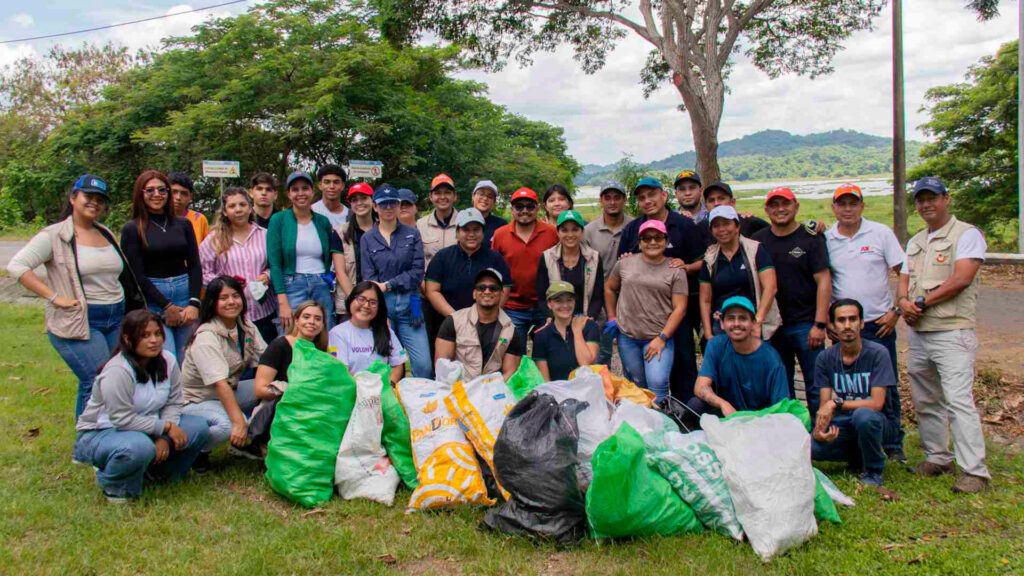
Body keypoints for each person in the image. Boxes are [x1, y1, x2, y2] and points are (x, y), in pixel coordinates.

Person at [8, 174, 144, 418]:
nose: (94, 203)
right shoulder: (54, 235)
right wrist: (54, 297)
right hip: (80, 320)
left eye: (100, 199)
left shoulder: (105, 233)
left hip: (115, 318)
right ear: (73, 198)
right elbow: (17, 266)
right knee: (96, 380)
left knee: (118, 379)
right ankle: (86, 446)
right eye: (88, 197)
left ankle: (111, 434)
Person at [897, 176, 991, 494]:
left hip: (952, 331)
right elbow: (904, 278)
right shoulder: (916, 241)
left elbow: (962, 278)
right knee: (925, 400)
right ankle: (938, 457)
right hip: (920, 333)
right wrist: (902, 303)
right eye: (921, 200)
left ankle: (974, 472)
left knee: (958, 401)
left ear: (946, 199)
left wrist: (920, 302)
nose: (926, 204)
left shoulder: (966, 235)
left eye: (932, 198)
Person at [73, 310, 209, 503]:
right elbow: (122, 420)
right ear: (128, 339)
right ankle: (115, 486)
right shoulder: (117, 370)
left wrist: (163, 436)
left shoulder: (168, 360)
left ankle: (160, 476)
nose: (154, 340)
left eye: (158, 334)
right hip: (102, 432)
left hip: (148, 426)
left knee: (198, 427)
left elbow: (174, 401)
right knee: (139, 446)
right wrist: (166, 428)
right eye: (145, 336)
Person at [825, 182, 907, 460]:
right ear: (834, 207)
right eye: (842, 203)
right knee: (849, 384)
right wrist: (827, 319)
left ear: (862, 205)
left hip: (878, 324)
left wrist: (897, 309)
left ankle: (894, 444)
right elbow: (824, 280)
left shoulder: (880, 233)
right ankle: (852, 437)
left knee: (887, 385)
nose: (848, 209)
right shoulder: (827, 238)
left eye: (853, 203)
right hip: (843, 327)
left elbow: (903, 269)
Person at [617, 177, 704, 400]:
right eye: (642, 198)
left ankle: (684, 411)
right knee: (641, 375)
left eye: (652, 195)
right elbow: (623, 266)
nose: (647, 201)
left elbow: (703, 260)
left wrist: (686, 267)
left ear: (664, 196)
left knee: (683, 362)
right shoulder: (632, 229)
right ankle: (644, 412)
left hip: (680, 307)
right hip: (642, 315)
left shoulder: (684, 226)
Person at [753, 187, 832, 418]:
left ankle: (820, 436)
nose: (780, 209)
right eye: (774, 205)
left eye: (785, 204)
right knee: (782, 385)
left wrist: (820, 323)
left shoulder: (810, 237)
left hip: (806, 323)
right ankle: (792, 431)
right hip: (773, 325)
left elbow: (824, 281)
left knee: (816, 384)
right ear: (766, 210)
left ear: (796, 206)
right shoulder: (759, 240)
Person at [180, 276, 267, 468]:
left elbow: (268, 360)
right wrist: (238, 423)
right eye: (224, 298)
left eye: (235, 296)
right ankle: (194, 452)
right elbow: (220, 384)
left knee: (276, 388)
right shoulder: (206, 336)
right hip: (197, 400)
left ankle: (256, 444)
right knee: (231, 425)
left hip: (230, 390)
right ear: (212, 303)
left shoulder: (245, 325)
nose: (231, 302)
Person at [811, 299, 900, 486]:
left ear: (862, 323)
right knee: (813, 448)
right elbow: (824, 407)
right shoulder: (825, 358)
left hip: (879, 422)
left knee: (864, 416)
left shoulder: (878, 353)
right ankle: (858, 455)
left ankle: (873, 470)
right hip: (844, 423)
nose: (847, 325)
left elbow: (877, 403)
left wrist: (836, 403)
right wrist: (819, 432)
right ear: (833, 326)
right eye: (841, 320)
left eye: (852, 319)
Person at [120, 170, 203, 364]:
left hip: (185, 294)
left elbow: (194, 265)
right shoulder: (132, 229)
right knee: (166, 359)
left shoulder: (183, 224)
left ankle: (186, 396)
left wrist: (194, 303)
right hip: (155, 299)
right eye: (150, 190)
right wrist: (167, 306)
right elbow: (136, 275)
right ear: (140, 193)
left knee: (188, 359)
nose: (157, 194)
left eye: (162, 190)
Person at [605, 220, 688, 401]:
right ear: (640, 242)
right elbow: (610, 288)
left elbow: (680, 308)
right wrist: (612, 317)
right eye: (647, 238)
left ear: (666, 242)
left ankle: (661, 425)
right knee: (636, 384)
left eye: (658, 238)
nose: (652, 242)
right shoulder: (624, 264)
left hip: (658, 337)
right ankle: (641, 424)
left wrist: (662, 338)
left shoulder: (675, 269)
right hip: (627, 336)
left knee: (657, 384)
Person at [361, 184, 432, 378]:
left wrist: (387, 285)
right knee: (383, 365)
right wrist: (379, 313)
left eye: (393, 203)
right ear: (375, 207)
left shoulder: (412, 234)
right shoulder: (367, 239)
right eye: (383, 204)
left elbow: (417, 272)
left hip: (410, 305)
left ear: (399, 206)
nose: (388, 208)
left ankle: (420, 403)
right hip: (383, 306)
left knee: (424, 365)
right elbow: (369, 277)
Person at [199, 187, 279, 346]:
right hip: (230, 314)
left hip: (263, 311)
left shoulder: (265, 235)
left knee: (265, 360)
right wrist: (226, 283)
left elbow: (276, 265)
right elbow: (204, 273)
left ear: (250, 208)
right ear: (225, 212)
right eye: (232, 206)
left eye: (242, 205)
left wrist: (267, 275)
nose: (238, 210)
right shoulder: (213, 239)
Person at [250, 300, 329, 455]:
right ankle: (264, 446)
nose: (312, 322)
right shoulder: (280, 345)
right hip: (278, 406)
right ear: (296, 320)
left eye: (318, 319)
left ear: (322, 326)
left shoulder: (321, 352)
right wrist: (294, 393)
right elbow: (260, 390)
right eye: (306, 317)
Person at [691, 296, 789, 417]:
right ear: (722, 323)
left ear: (753, 323)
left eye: (743, 318)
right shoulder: (716, 345)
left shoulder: (771, 360)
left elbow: (781, 408)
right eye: (731, 318)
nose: (736, 324)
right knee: (695, 405)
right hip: (727, 415)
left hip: (759, 421)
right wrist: (723, 404)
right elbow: (700, 387)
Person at [267, 171, 336, 333]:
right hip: (292, 284)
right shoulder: (278, 220)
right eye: (295, 189)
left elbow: (331, 257)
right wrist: (282, 301)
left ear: (312, 192)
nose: (300, 193)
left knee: (324, 332)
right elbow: (275, 264)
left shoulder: (323, 221)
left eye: (305, 188)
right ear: (289, 194)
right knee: (290, 333)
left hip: (321, 284)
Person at [698, 205, 778, 340]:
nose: (722, 229)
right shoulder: (710, 258)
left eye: (726, 224)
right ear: (711, 231)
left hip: (752, 322)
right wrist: (708, 332)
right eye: (716, 226)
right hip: (721, 323)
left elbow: (770, 287)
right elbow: (705, 300)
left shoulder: (755, 250)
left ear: (737, 226)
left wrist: (758, 321)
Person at [435, 268, 525, 381]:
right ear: (474, 294)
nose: (487, 291)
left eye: (493, 288)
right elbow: (442, 366)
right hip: (459, 390)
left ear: (502, 294)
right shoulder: (453, 321)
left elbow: (510, 373)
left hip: (492, 390)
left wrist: (488, 390)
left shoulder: (511, 331)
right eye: (481, 288)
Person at [491, 187, 559, 335]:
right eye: (519, 206)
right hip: (512, 307)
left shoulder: (551, 233)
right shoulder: (500, 234)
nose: (525, 210)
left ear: (538, 208)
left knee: (546, 355)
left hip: (546, 305)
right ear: (512, 209)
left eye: (529, 206)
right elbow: (493, 272)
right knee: (514, 355)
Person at [425, 207, 512, 316]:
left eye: (476, 229)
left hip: (486, 322)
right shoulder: (442, 257)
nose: (471, 234)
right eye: (466, 229)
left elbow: (505, 289)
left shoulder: (496, 259)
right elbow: (432, 291)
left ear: (483, 232)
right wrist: (456, 318)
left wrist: (487, 316)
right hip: (447, 322)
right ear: (457, 232)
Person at [583, 180, 633, 366]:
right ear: (601, 200)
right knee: (601, 352)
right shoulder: (589, 231)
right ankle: (602, 390)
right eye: (608, 197)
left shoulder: (634, 226)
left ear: (624, 200)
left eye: (617, 197)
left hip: (630, 296)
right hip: (600, 296)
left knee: (630, 349)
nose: (612, 202)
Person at [328, 282, 406, 382]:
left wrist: (390, 385)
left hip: (381, 391)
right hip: (352, 391)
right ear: (351, 300)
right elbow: (341, 371)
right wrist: (366, 390)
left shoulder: (387, 332)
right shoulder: (337, 334)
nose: (366, 305)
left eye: (373, 302)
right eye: (361, 299)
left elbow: (398, 365)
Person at [536, 209, 604, 320]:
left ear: (582, 231)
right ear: (558, 232)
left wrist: (590, 319)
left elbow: (598, 296)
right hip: (557, 317)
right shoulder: (547, 257)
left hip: (585, 317)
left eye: (575, 229)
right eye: (564, 230)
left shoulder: (594, 258)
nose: (570, 235)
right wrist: (550, 317)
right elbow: (542, 296)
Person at [532, 282, 600, 381]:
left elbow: (585, 363)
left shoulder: (589, 326)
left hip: (586, 389)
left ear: (574, 302)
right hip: (557, 392)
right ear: (549, 304)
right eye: (558, 301)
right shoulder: (542, 336)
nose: (565, 305)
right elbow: (545, 381)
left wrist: (577, 332)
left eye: (569, 300)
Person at [330, 182, 377, 321]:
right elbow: (340, 272)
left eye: (364, 198)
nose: (359, 203)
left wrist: (370, 301)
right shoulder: (340, 232)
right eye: (354, 200)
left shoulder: (382, 230)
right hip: (347, 303)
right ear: (350, 204)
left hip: (377, 301)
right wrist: (356, 301)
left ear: (372, 201)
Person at [696, 181, 769, 245]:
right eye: (711, 200)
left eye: (721, 198)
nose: (716, 203)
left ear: (732, 202)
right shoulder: (700, 229)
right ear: (706, 206)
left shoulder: (750, 223)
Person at [168, 172, 209, 245]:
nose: (178, 197)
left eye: (184, 193)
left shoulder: (199, 219)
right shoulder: (157, 218)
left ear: (190, 197)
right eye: (174, 192)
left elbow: (207, 250)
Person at [311, 164, 350, 228]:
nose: (332, 186)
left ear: (343, 186)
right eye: (327, 182)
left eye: (336, 182)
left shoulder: (350, 215)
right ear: (320, 185)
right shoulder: (311, 212)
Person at [471, 180, 507, 245]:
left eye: (490, 196)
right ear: (473, 196)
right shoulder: (460, 220)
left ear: (494, 202)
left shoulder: (501, 225)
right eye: (481, 194)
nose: (485, 198)